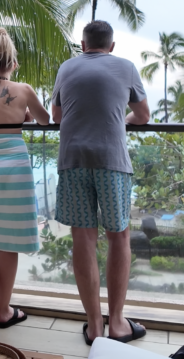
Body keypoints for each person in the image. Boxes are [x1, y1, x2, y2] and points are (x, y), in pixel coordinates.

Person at [51, 20, 150, 345]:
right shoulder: (126, 66)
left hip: (73, 158)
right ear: (111, 46)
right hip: (111, 160)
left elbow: (56, 116)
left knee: (83, 238)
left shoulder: (66, 67)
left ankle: (94, 326)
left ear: (83, 45)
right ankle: (117, 323)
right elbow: (143, 114)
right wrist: (120, 120)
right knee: (119, 236)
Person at [0, 28, 50, 340]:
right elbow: (44, 120)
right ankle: (4, 310)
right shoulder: (24, 89)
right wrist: (25, 114)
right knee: (10, 241)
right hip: (14, 164)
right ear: (13, 64)